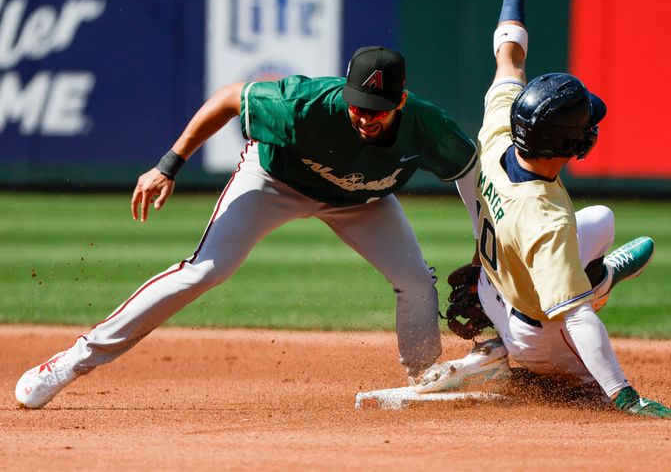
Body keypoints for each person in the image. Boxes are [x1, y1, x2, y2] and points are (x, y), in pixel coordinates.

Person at [15, 46, 478, 409]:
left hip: (362, 201)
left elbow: (470, 177)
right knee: (206, 270)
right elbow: (228, 99)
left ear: (400, 99)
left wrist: (484, 250)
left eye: (377, 109)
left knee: (416, 281)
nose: (364, 117)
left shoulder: (429, 125)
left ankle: (423, 380)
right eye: (358, 105)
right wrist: (169, 164)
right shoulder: (302, 104)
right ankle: (71, 362)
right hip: (275, 180)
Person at [415, 0, 671, 418]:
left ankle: (597, 276)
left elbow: (509, 57)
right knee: (580, 384)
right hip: (532, 331)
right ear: (568, 145)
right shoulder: (547, 219)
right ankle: (588, 292)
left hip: (490, 287)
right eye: (583, 127)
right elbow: (576, 319)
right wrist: (624, 394)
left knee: (600, 218)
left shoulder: (498, 132)